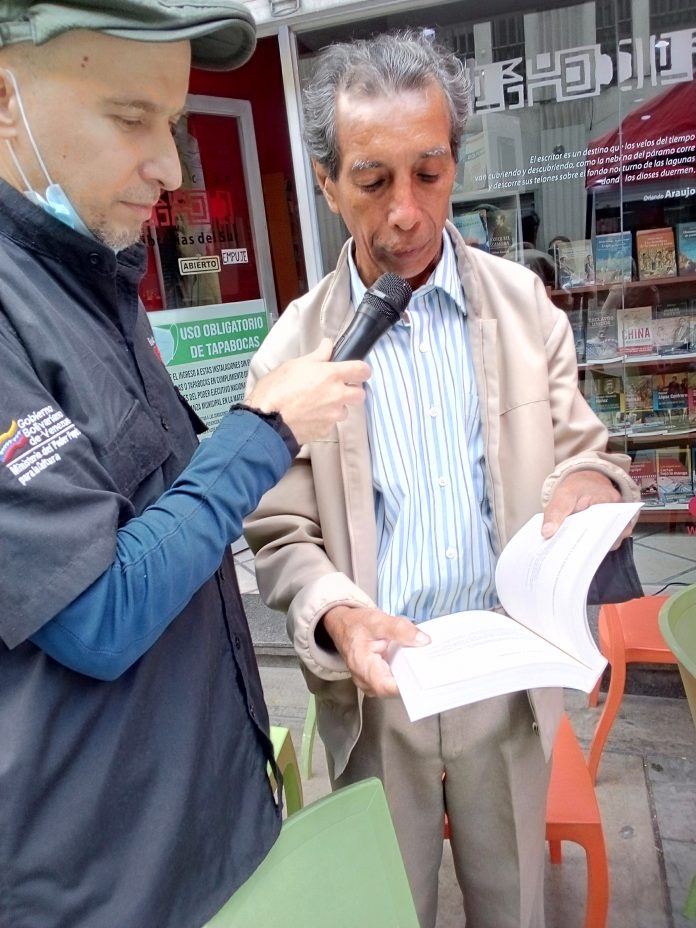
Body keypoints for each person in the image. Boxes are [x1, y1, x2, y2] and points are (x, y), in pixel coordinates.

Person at [244, 31, 640, 928]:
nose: (407, 213)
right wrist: (339, 615)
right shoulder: (293, 349)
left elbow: (587, 450)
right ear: (326, 182)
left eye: (429, 173)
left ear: (455, 161)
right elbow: (281, 532)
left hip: (507, 688)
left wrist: (586, 487)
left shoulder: (523, 306)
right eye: (372, 180)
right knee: (389, 910)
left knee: (514, 907)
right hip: (378, 695)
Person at [0, 4, 371, 927]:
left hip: (204, 831)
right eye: (131, 118)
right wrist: (266, 428)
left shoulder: (93, 276)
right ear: (6, 101)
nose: (169, 167)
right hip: (102, 882)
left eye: (172, 123)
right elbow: (98, 614)